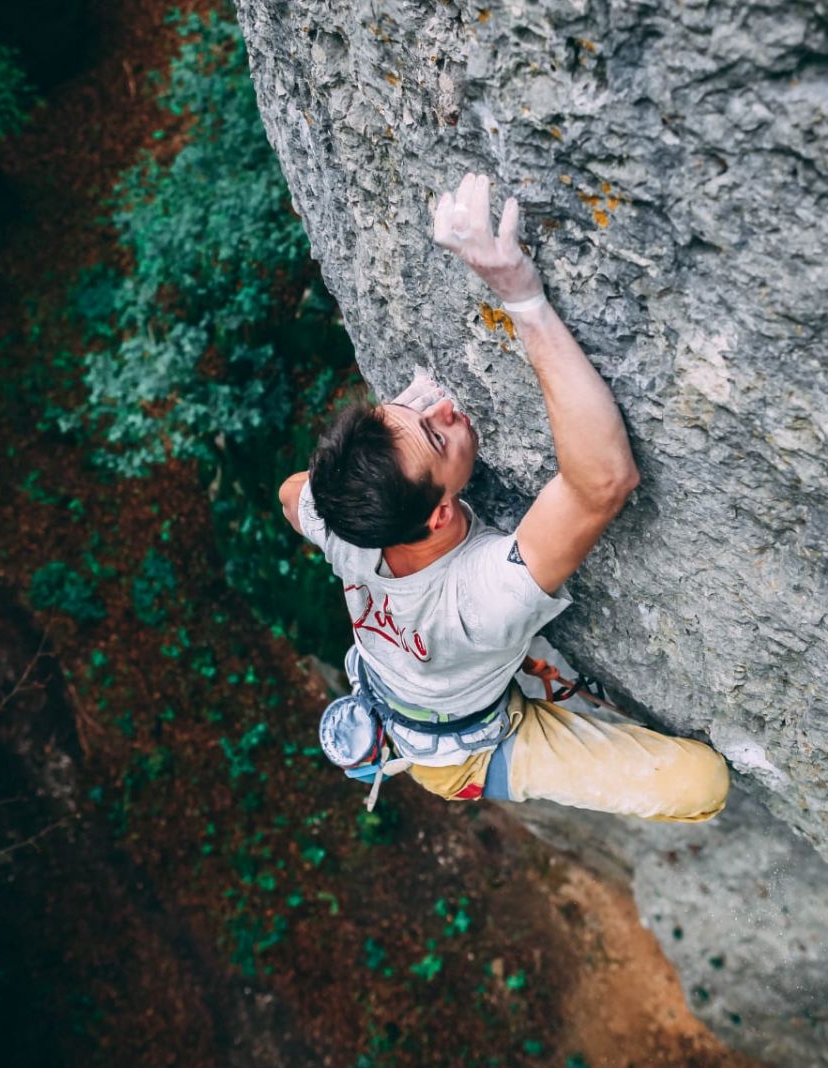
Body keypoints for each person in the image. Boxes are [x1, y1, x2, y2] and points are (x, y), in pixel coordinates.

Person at [277, 173, 729, 821]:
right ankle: (521, 703)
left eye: (408, 410)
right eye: (435, 434)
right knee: (699, 785)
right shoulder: (476, 601)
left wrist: (394, 439)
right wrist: (521, 297)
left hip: (401, 682)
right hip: (456, 753)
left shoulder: (343, 523)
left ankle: (525, 669)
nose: (443, 408)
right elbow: (602, 480)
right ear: (437, 515)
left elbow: (292, 494)